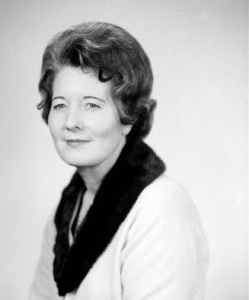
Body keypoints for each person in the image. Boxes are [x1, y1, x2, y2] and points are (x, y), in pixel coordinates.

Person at [30, 22, 209, 300]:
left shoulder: (159, 209)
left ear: (129, 116)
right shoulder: (67, 209)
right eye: (60, 104)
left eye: (91, 105)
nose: (71, 122)